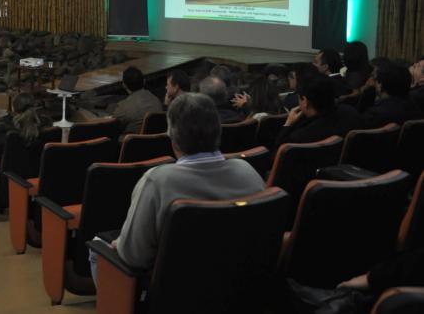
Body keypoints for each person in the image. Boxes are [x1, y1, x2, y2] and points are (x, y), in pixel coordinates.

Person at [89, 93, 266, 279]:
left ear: (171, 135)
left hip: (176, 292)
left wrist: (121, 244)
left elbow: (135, 257)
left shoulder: (157, 181)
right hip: (238, 287)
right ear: (218, 130)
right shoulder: (248, 172)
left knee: (97, 247)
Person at [275, 72, 361, 148]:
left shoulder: (300, 136)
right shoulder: (351, 113)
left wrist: (288, 124)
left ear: (304, 101)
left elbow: (279, 152)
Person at [359, 60, 423, 129]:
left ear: (380, 85)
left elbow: (357, 130)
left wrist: (365, 93)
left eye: (375, 79)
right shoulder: (417, 111)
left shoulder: (375, 114)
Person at [112, 66, 163, 133]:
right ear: (144, 81)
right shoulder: (156, 100)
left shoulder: (125, 107)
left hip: (133, 142)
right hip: (158, 142)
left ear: (124, 85)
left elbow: (112, 125)